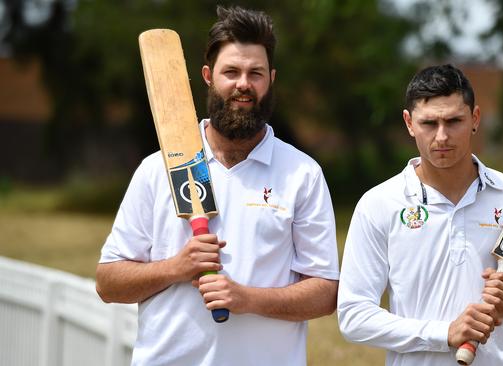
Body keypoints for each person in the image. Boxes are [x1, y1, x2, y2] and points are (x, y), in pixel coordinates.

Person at [96, 6, 339, 366]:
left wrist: (247, 299)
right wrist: (176, 267)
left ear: (271, 78)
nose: (244, 83)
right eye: (232, 72)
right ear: (208, 76)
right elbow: (108, 283)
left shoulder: (302, 174)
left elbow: (325, 294)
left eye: (255, 73)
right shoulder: (156, 169)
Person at [337, 64, 503, 365]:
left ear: (475, 118)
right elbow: (354, 316)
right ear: (409, 123)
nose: (442, 136)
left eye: (454, 121)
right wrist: (443, 333)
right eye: (429, 123)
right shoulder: (379, 204)